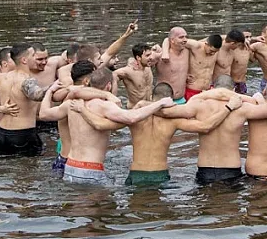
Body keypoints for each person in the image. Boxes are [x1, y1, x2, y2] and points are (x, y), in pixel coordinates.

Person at [48, 69, 176, 185]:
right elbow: (131, 118)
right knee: (104, 209)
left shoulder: (71, 102)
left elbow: (44, 113)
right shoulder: (105, 106)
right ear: (109, 85)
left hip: (70, 167)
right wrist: (160, 103)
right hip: (90, 169)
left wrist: (50, 91)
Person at [183, 75, 267, 183]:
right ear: (234, 90)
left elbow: (168, 112)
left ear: (212, 88)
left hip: (204, 169)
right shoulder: (243, 108)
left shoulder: (198, 105)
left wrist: (203, 95)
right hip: (231, 170)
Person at [122, 83, 235, 186]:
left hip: (136, 174)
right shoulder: (174, 121)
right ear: (172, 100)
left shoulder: (134, 117)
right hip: (159, 174)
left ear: (151, 97)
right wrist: (229, 108)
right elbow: (206, 126)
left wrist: (140, 105)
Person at [184, 33, 223, 100]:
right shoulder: (196, 46)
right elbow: (174, 40)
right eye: (211, 51)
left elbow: (228, 38)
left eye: (216, 52)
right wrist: (184, 76)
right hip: (193, 90)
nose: (213, 53)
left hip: (207, 91)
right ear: (206, 44)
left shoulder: (215, 50)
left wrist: (244, 38)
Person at [155, 27, 190, 100]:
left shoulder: (187, 51)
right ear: (172, 40)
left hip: (181, 99)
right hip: (163, 100)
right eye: (181, 37)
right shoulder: (160, 54)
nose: (185, 40)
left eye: (186, 37)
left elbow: (204, 44)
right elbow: (142, 60)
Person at [213, 29, 252, 93]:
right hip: (218, 85)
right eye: (238, 45)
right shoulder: (216, 50)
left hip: (230, 84)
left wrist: (253, 39)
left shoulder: (232, 50)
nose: (239, 47)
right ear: (233, 43)